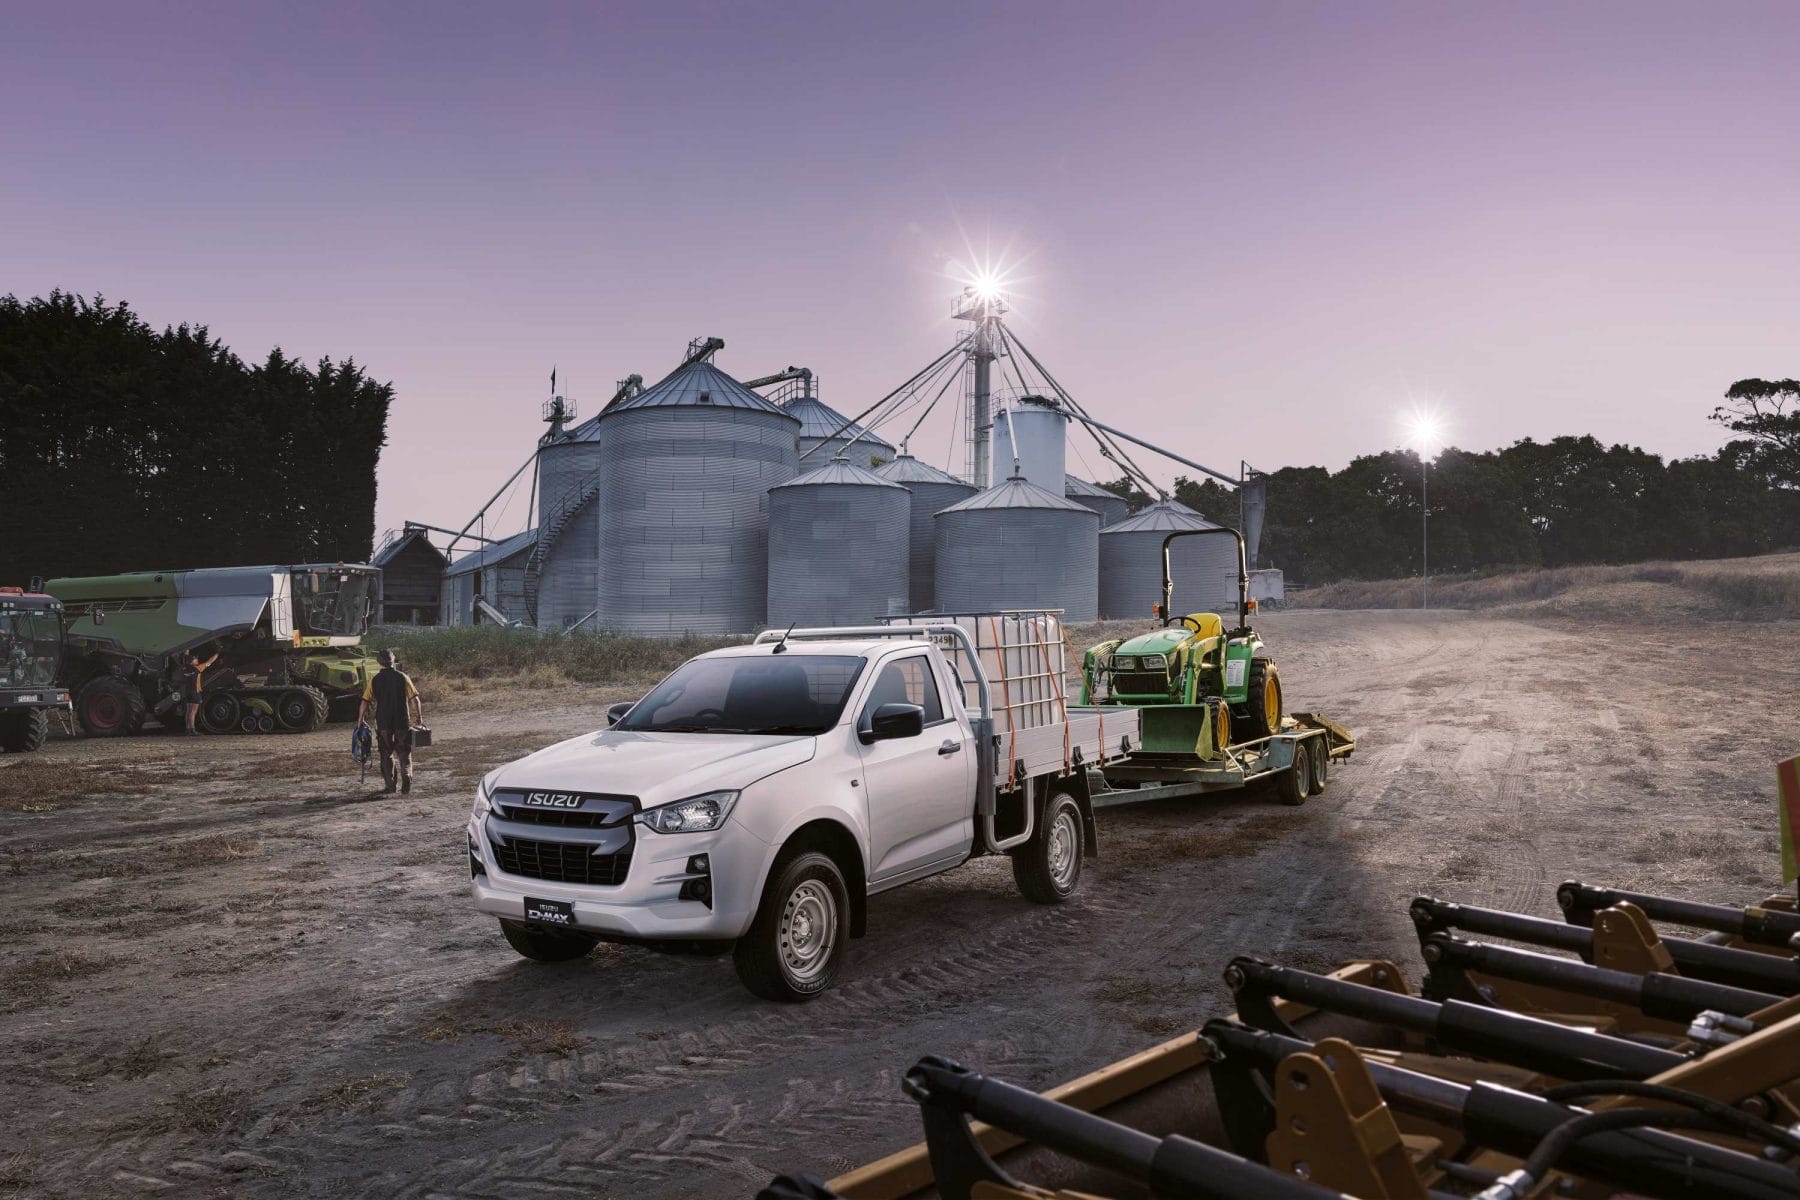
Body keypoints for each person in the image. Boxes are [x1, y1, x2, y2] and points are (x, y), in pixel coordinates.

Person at [357, 649, 423, 794]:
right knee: (404, 753)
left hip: (383, 723)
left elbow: (364, 702)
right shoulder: (403, 677)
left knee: (386, 754)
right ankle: (406, 777)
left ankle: (390, 785)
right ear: (393, 660)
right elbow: (415, 699)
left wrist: (360, 720)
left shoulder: (374, 680)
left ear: (379, 662)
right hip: (402, 721)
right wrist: (419, 717)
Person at [182, 647, 220, 736]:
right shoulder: (197, 668)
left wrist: (186, 653)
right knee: (193, 712)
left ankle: (187, 729)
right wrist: (217, 654)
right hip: (195, 691)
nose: (197, 660)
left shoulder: (185, 668)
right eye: (195, 659)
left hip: (188, 691)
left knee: (188, 711)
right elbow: (209, 662)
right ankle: (192, 729)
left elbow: (185, 660)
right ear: (192, 662)